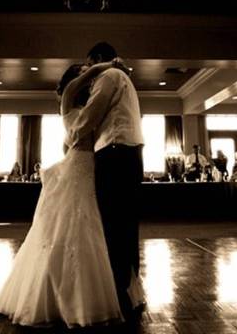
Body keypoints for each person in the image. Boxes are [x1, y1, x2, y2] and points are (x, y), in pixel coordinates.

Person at [0, 56, 136, 327]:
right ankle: (60, 297)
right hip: (78, 169)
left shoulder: (92, 104)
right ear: (73, 78)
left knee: (96, 228)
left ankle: (104, 290)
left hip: (94, 168)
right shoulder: (68, 98)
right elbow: (81, 87)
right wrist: (109, 65)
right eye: (82, 72)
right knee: (69, 227)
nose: (87, 75)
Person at [69, 42, 145, 318]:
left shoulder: (109, 76)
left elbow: (92, 112)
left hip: (115, 152)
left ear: (98, 59)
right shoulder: (124, 78)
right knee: (126, 224)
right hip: (129, 152)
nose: (87, 69)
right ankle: (130, 290)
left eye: (88, 63)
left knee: (114, 224)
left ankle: (119, 293)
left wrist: (73, 137)